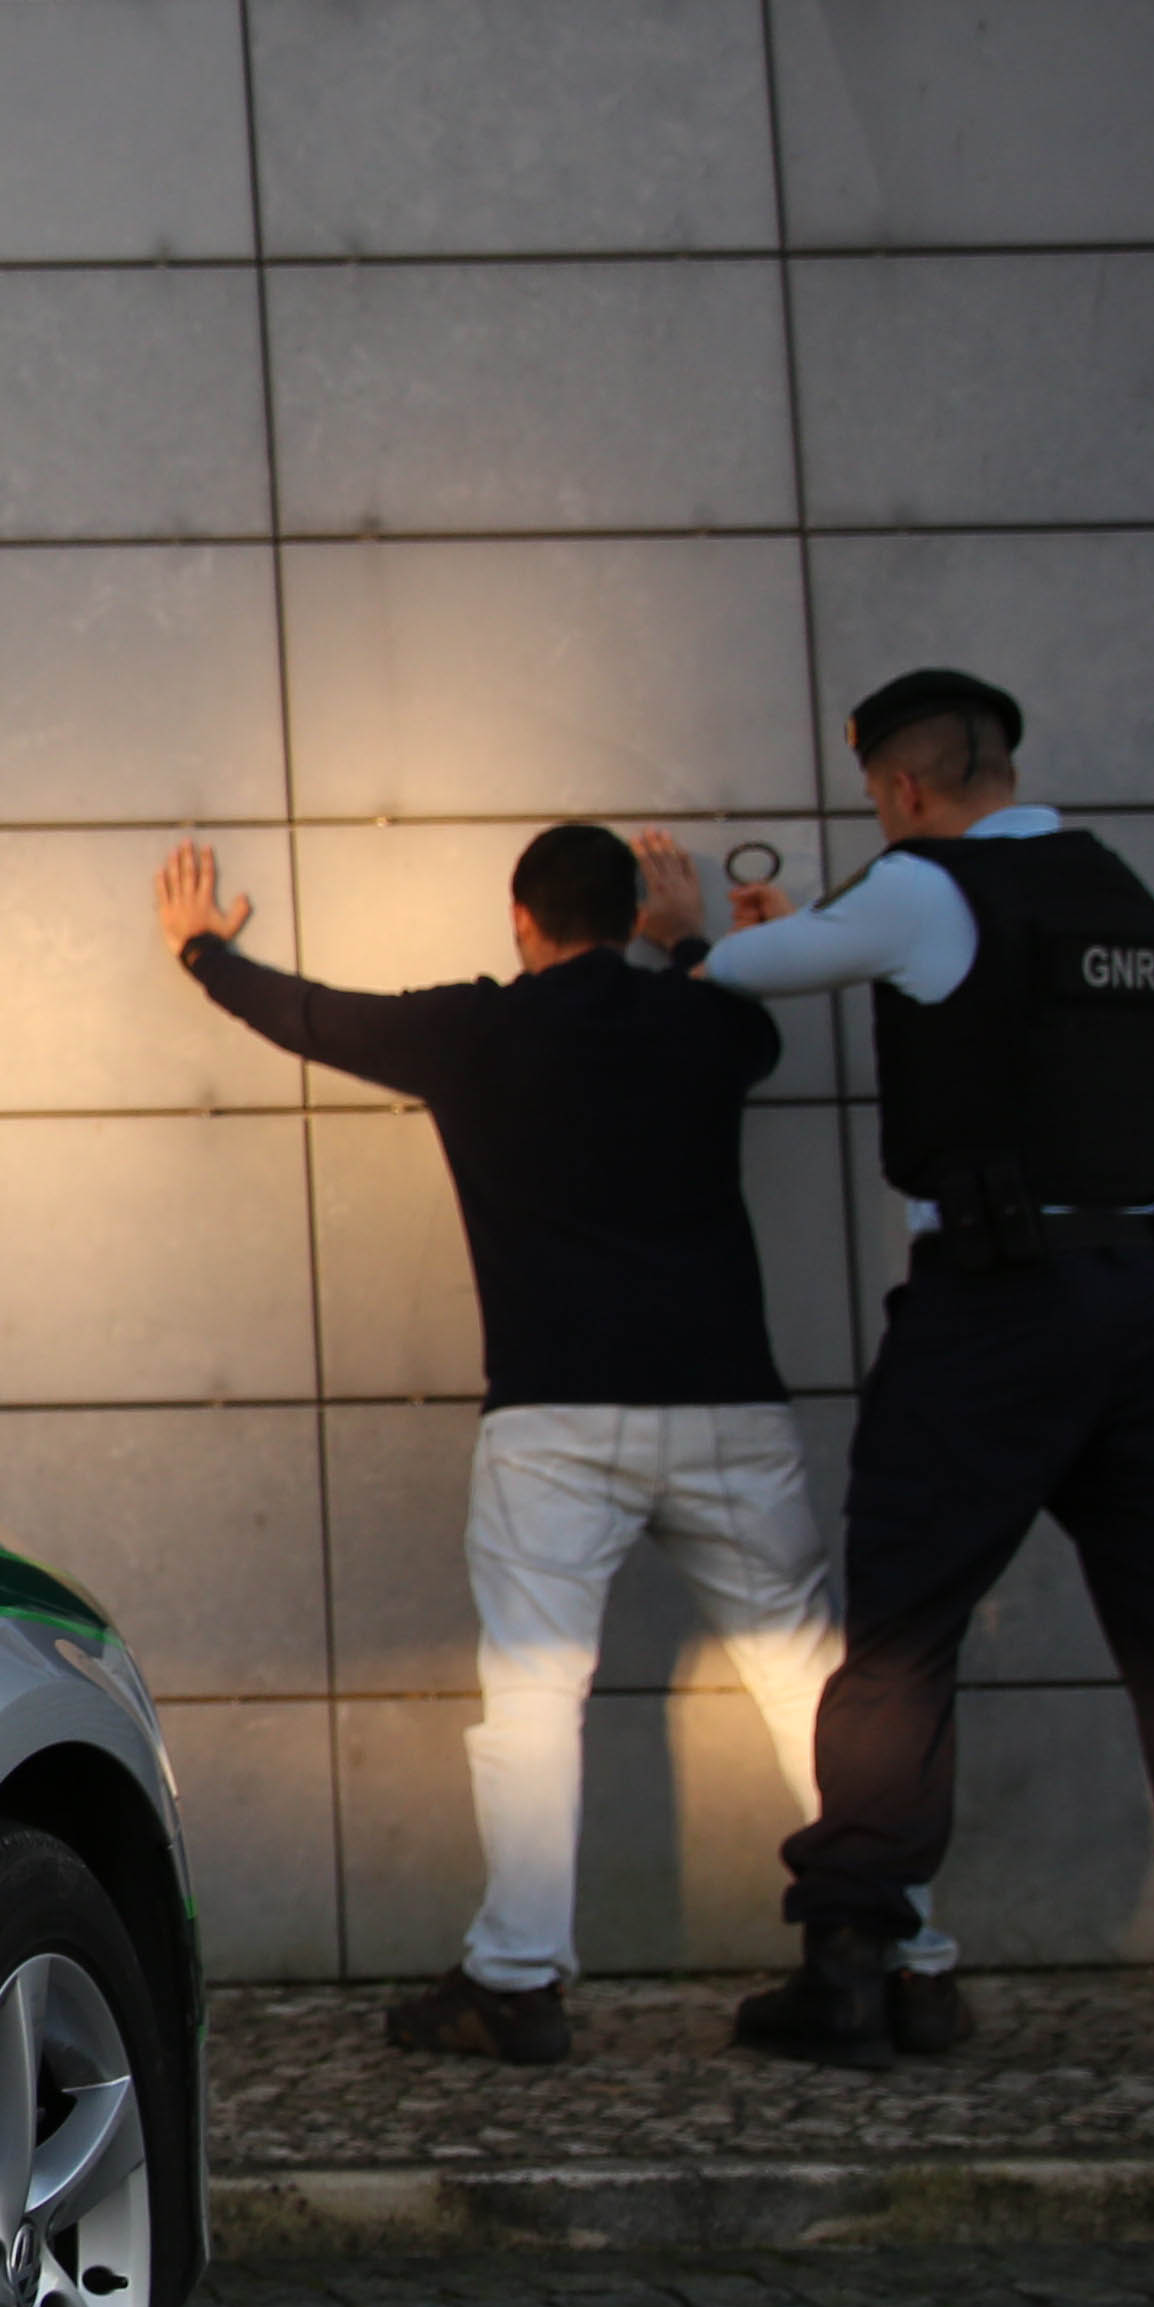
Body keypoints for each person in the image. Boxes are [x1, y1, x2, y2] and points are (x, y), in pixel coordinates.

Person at [158, 821, 939, 2063]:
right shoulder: (707, 1022)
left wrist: (204, 952)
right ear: (631, 916)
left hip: (555, 1421)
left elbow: (315, 1015)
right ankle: (903, 1954)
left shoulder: (477, 1032)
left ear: (521, 922)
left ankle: (517, 1980)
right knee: (809, 1686)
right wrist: (695, 948)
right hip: (730, 1408)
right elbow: (756, 1030)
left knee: (531, 1703)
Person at [645, 668, 1154, 2074]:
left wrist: (703, 935)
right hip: (1144, 1297)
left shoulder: (923, 884)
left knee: (902, 1630)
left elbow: (741, 975)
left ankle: (847, 1961)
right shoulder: (1128, 899)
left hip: (997, 1309)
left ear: (901, 788)